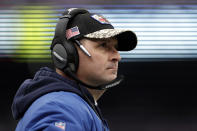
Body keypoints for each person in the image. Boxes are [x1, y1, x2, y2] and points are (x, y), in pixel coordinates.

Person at [11, 8, 137, 131]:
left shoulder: (72, 105)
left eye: (115, 47)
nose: (117, 56)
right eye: (103, 45)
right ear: (67, 53)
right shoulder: (60, 108)